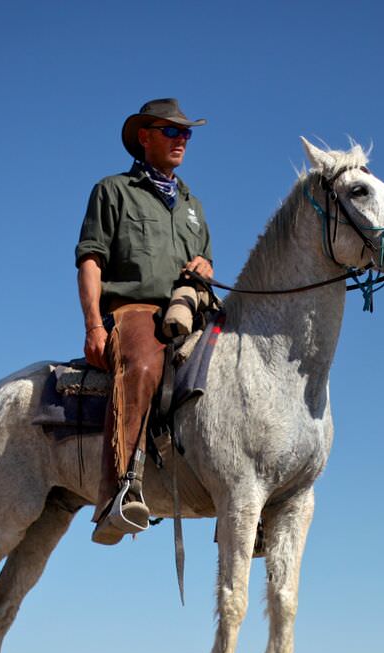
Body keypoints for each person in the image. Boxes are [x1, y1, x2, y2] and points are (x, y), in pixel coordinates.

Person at [74, 98, 214, 545]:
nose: (181, 141)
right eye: (171, 132)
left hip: (190, 308)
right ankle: (121, 491)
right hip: (134, 311)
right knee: (145, 365)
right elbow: (91, 260)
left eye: (186, 134)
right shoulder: (112, 190)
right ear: (144, 137)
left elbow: (206, 258)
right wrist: (95, 325)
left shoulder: (194, 205)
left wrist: (204, 269)